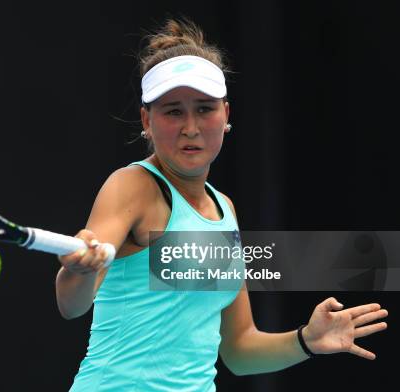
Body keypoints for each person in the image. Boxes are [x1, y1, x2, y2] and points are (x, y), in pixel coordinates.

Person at [55, 18, 388, 391]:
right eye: (173, 111)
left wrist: (306, 340)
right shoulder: (132, 186)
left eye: (204, 108)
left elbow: (240, 350)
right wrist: (81, 271)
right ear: (147, 121)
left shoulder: (224, 208)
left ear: (226, 115)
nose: (191, 128)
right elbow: (72, 304)